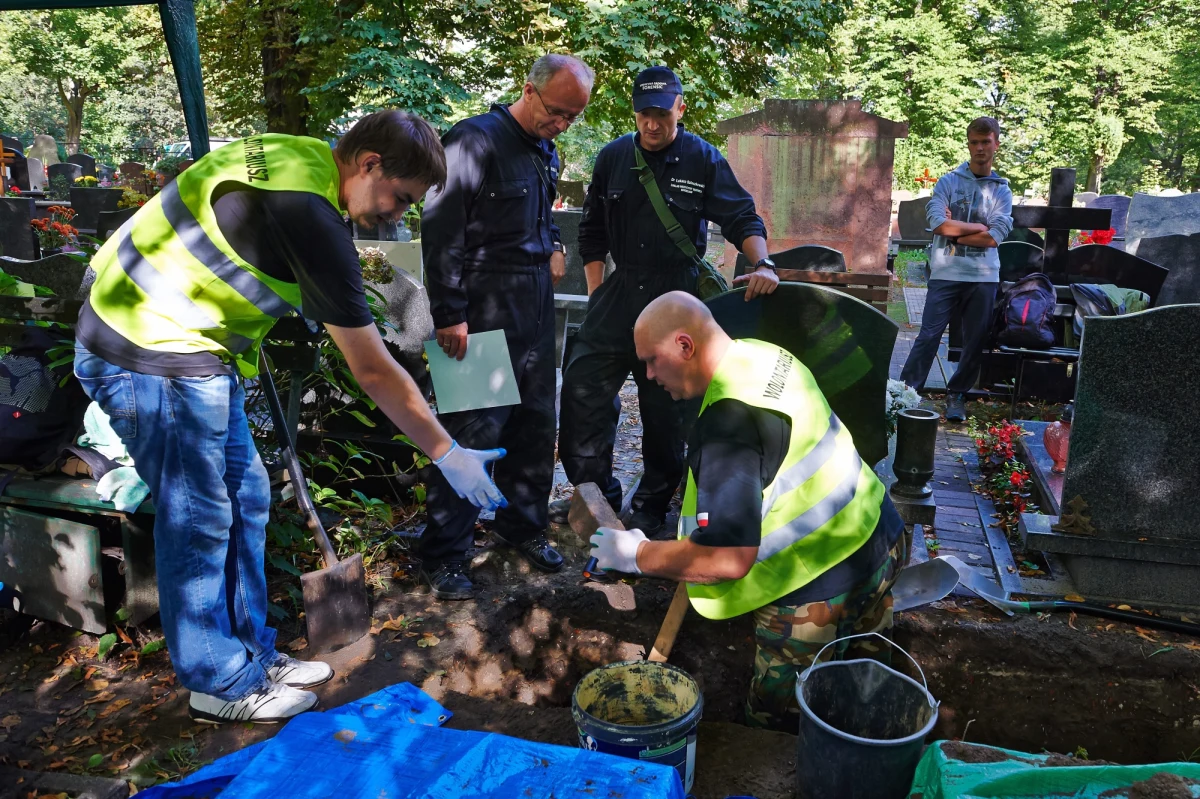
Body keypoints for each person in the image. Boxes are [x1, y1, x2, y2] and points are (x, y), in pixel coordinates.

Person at [74, 111, 507, 724]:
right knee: (198, 518)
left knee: (246, 496)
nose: (396, 216)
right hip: (146, 348)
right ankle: (218, 683)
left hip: (189, 344)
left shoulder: (304, 156)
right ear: (369, 165)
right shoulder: (310, 219)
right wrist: (448, 452)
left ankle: (251, 656)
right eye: (399, 199)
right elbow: (375, 370)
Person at [588, 292, 907, 732]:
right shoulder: (763, 354)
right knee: (863, 697)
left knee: (783, 733)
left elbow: (727, 558)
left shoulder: (727, 427)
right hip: (877, 538)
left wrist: (636, 555)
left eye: (651, 360)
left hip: (816, 589)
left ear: (685, 346)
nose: (647, 375)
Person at [553, 66, 778, 536]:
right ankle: (595, 494)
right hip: (620, 291)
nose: (651, 124)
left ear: (680, 107)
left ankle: (653, 502)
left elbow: (742, 217)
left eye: (660, 114)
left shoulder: (702, 158)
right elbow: (592, 234)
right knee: (582, 390)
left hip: (676, 294)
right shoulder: (613, 156)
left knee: (666, 410)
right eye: (642, 114)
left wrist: (762, 264)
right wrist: (598, 296)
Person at [419, 54, 594, 599]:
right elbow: (439, 227)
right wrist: (450, 312)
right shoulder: (473, 141)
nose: (562, 124)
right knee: (473, 428)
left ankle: (522, 525)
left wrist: (556, 244)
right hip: (481, 298)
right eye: (557, 112)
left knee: (536, 421)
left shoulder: (545, 149)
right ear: (529, 90)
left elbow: (541, 215)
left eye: (572, 117)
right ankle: (445, 552)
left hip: (535, 298)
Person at [900, 117, 1013, 422]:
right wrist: (976, 225)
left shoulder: (1002, 190)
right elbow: (937, 223)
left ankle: (957, 395)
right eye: (974, 142)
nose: (979, 148)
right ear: (968, 143)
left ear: (996, 145)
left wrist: (955, 230)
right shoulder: (948, 182)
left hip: (983, 277)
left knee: (975, 340)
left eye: (985, 142)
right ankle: (906, 392)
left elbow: (994, 237)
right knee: (928, 336)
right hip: (946, 272)